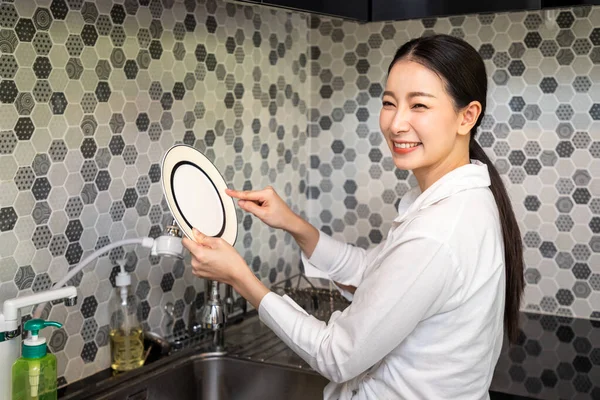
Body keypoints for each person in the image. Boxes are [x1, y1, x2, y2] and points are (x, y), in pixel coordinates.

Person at [182, 33, 524, 400]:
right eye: (390, 103)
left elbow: (337, 355)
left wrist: (240, 278)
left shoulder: (439, 232)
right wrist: (294, 224)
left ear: (466, 116)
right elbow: (370, 274)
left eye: (419, 106)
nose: (396, 124)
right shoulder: (461, 201)